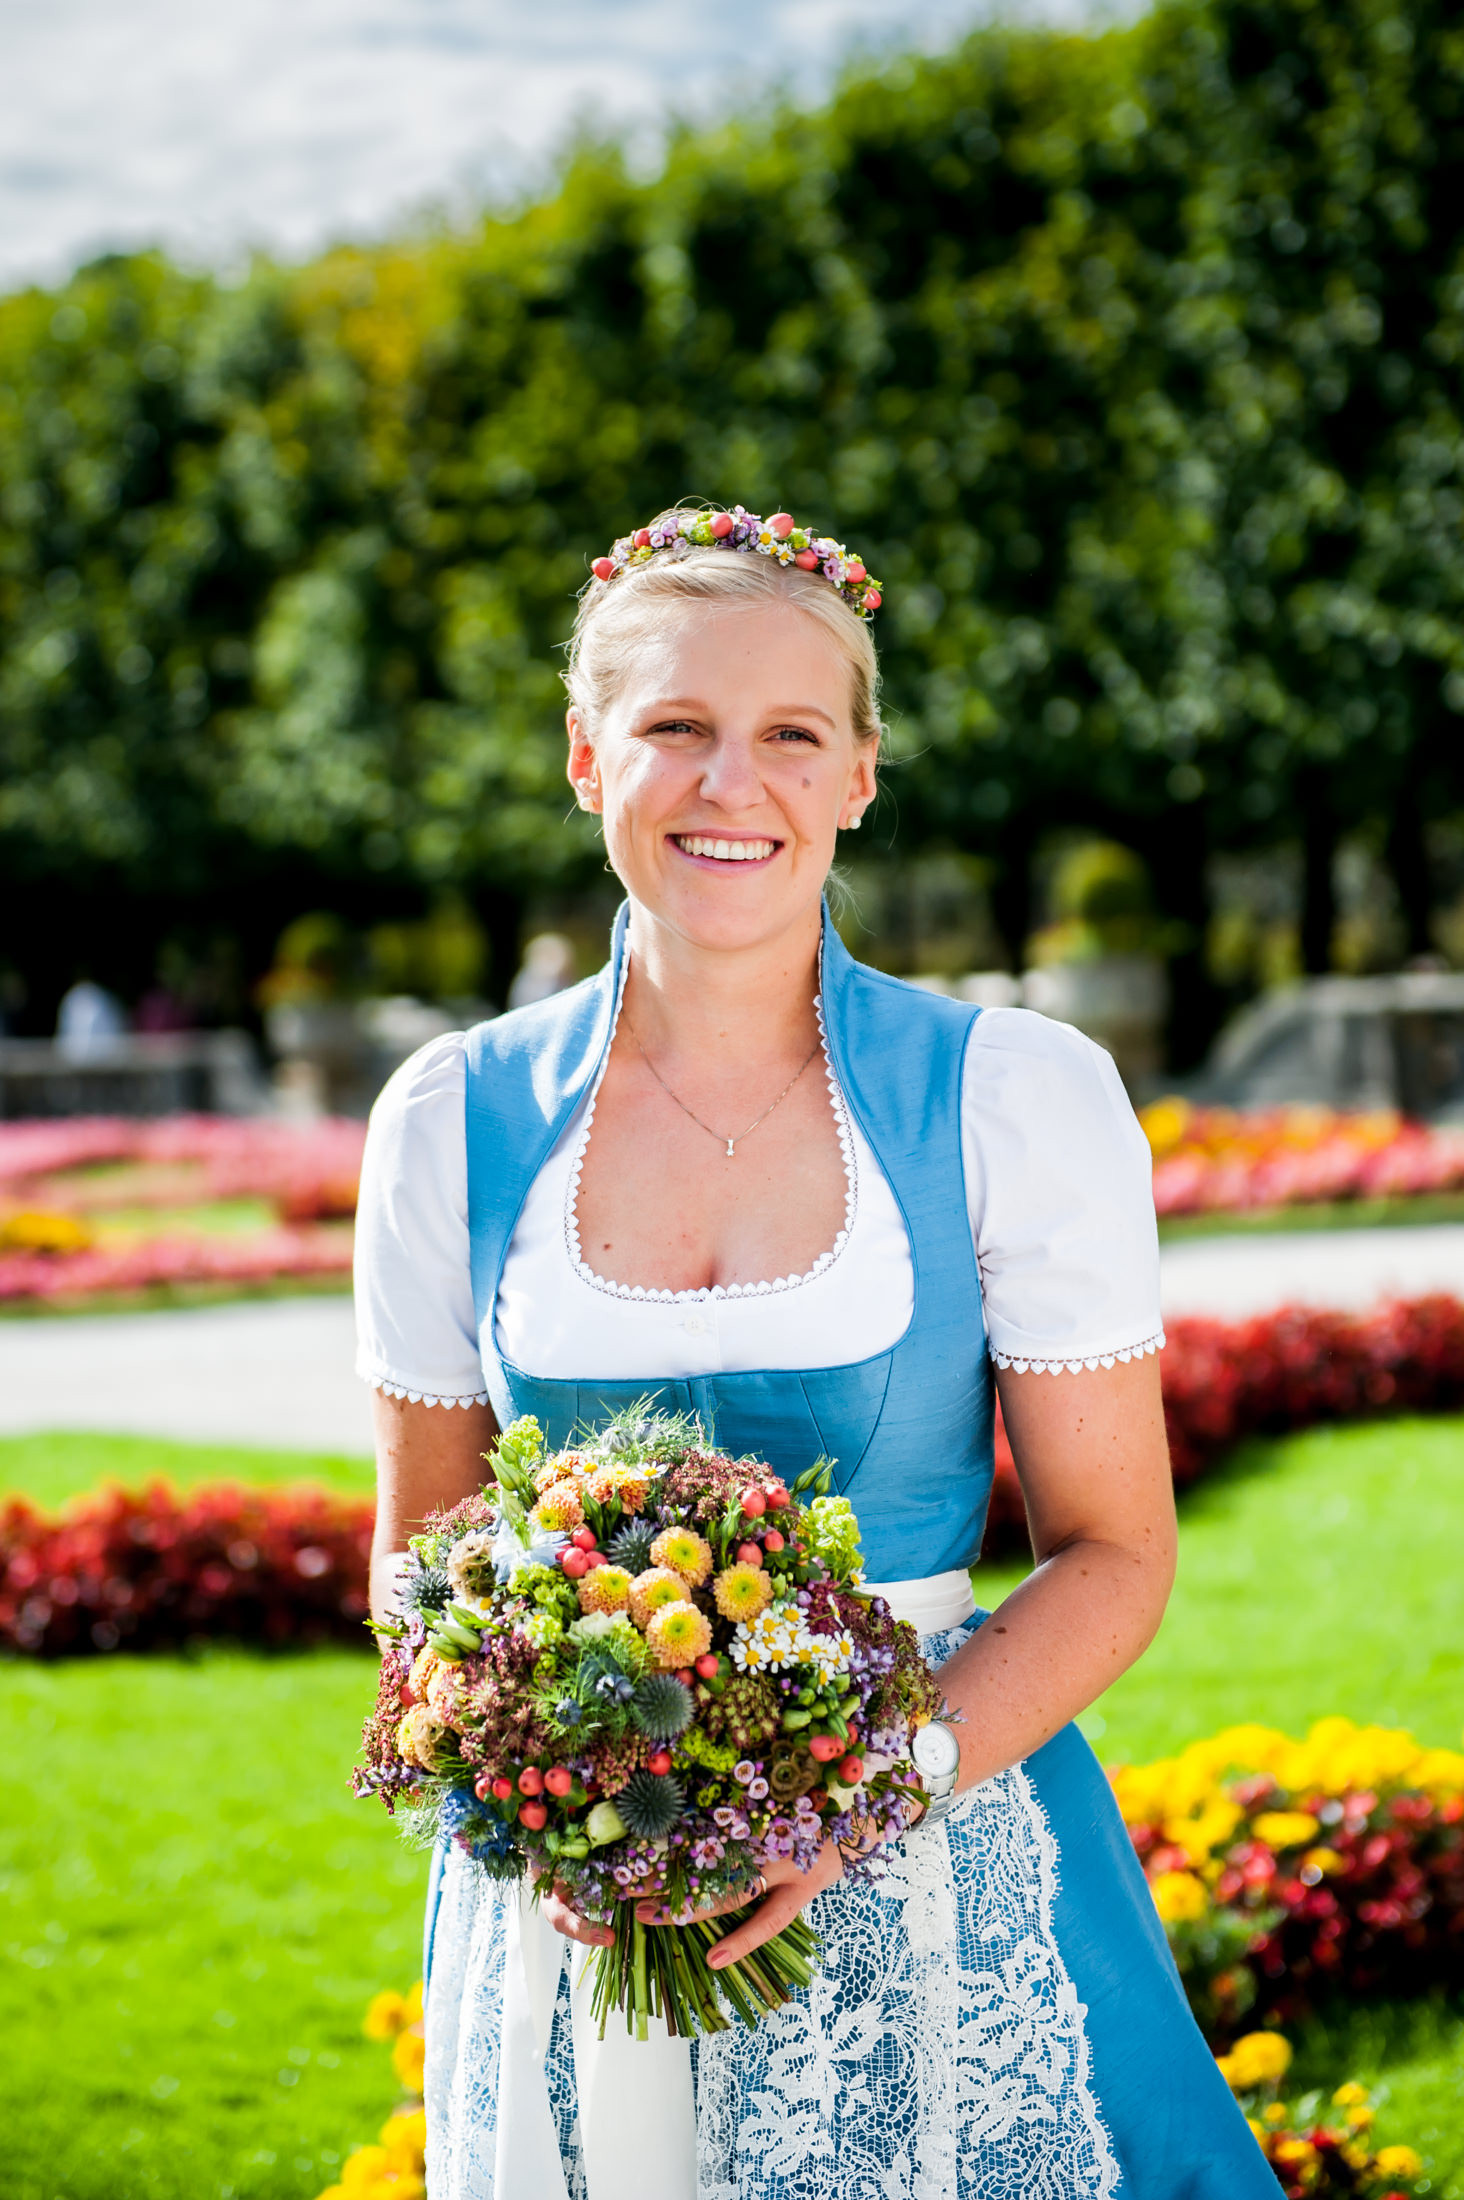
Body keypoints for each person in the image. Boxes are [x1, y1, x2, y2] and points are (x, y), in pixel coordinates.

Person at [354, 505, 1276, 2199]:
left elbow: (1116, 1552)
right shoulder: (451, 1121)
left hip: (941, 1842)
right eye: (674, 730)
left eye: (791, 735)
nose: (733, 786)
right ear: (585, 757)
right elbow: (425, 1562)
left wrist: (849, 1793)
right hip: (576, 1912)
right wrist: (542, 1793)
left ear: (859, 774)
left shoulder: (1015, 1098)